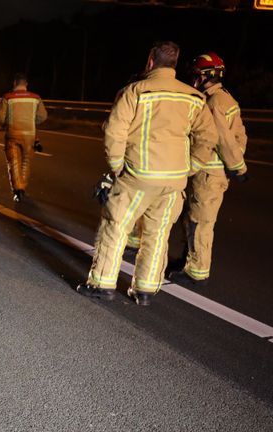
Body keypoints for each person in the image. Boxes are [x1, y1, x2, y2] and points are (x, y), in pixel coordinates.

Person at [76, 41, 218, 306]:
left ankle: (103, 284)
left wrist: (117, 166)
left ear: (151, 61)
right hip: (174, 180)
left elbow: (114, 131)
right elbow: (208, 137)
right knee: (157, 234)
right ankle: (145, 290)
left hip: (137, 176)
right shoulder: (195, 98)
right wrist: (192, 166)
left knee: (116, 227)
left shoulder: (136, 91)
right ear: (174, 64)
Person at [168, 52, 248, 287]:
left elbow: (223, 139)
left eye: (195, 75)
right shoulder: (222, 98)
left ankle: (197, 271)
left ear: (206, 75)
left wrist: (238, 168)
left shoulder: (213, 103)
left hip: (209, 173)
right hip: (208, 172)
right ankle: (188, 260)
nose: (192, 79)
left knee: (200, 222)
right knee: (191, 218)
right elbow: (240, 135)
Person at [0, 73, 48, 202]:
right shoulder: (36, 98)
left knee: (14, 162)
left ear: (14, 83)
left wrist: (5, 123)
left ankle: (18, 190)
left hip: (13, 134)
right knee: (26, 163)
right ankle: (23, 188)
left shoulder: (8, 97)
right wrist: (31, 121)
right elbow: (43, 116)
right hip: (30, 135)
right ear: (26, 84)